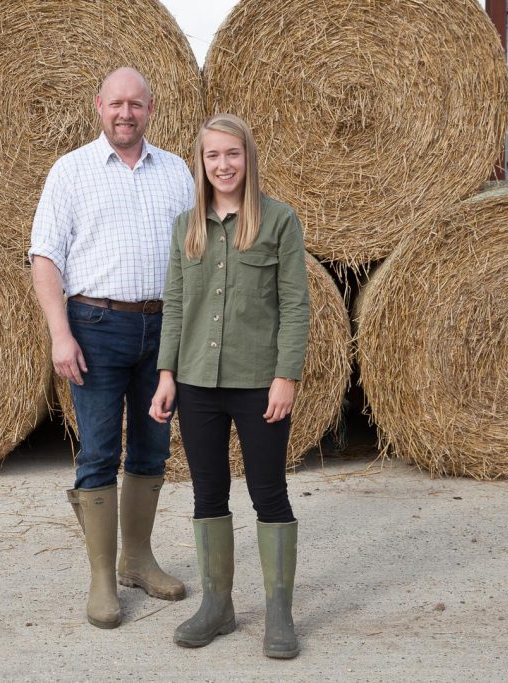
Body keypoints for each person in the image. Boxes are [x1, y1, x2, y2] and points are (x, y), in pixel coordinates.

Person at [29, 67, 195, 629]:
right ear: (98, 106)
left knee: (152, 449)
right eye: (116, 103)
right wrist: (60, 331)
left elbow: (199, 252)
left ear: (151, 109)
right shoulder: (71, 171)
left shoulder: (177, 173)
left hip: (163, 329)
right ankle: (102, 576)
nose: (126, 113)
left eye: (137, 104)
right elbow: (45, 256)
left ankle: (138, 560)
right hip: (94, 326)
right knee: (99, 451)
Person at [149, 113, 310, 659]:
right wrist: (167, 374)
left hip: (259, 383)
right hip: (196, 382)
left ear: (248, 158)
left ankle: (279, 612)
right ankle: (218, 605)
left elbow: (295, 306)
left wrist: (286, 376)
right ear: (201, 161)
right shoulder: (185, 227)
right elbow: (175, 305)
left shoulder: (280, 222)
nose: (223, 165)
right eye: (213, 155)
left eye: (232, 154)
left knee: (269, 493)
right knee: (207, 492)